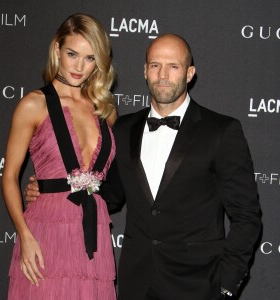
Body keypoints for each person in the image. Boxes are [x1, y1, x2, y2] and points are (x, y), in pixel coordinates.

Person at [26, 34, 262, 300]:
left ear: (189, 73)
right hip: (137, 282)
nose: (163, 74)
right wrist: (50, 188)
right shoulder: (123, 129)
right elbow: (109, 195)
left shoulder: (221, 131)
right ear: (145, 71)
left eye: (173, 66)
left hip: (198, 284)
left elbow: (247, 218)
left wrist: (226, 283)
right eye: (155, 65)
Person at [2, 13, 117, 300]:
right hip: (46, 232)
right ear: (56, 50)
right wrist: (24, 235)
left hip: (95, 233)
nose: (80, 66)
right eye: (72, 54)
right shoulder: (33, 104)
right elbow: (9, 177)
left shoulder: (105, 111)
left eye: (90, 58)